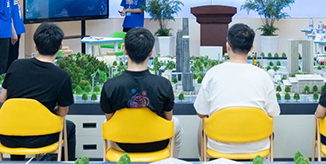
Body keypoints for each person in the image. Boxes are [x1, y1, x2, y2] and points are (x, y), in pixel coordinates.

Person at [194, 23, 280, 156]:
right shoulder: (263, 76)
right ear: (251, 47)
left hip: (219, 146)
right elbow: (273, 112)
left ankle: (205, 161)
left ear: (227, 46)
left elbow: (201, 112)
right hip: (257, 146)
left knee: (202, 123)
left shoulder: (213, 74)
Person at [100, 28, 183, 157]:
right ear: (151, 52)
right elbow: (168, 118)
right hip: (158, 142)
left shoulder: (110, 86)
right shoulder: (163, 84)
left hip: (122, 144)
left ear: (125, 50)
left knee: (105, 123)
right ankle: (171, 160)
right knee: (176, 124)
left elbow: (109, 118)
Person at [0, 22, 76, 161]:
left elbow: (2, 99)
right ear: (60, 46)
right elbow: (63, 112)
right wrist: (45, 113)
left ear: (35, 46)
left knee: (18, 124)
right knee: (69, 127)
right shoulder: (62, 77)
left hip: (9, 136)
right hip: (43, 136)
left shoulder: (16, 65)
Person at [6, 0, 26, 68]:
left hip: (18, 29)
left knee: (15, 56)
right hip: (13, 31)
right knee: (11, 58)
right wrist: (12, 31)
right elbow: (8, 13)